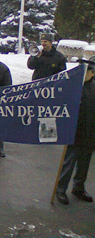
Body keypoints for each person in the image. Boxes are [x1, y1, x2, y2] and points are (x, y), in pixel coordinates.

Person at [56, 57, 95, 205]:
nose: (86, 75)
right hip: (74, 132)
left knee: (84, 164)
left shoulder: (93, 87)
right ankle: (61, 189)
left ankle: (78, 188)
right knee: (69, 163)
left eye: (89, 72)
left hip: (90, 133)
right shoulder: (72, 87)